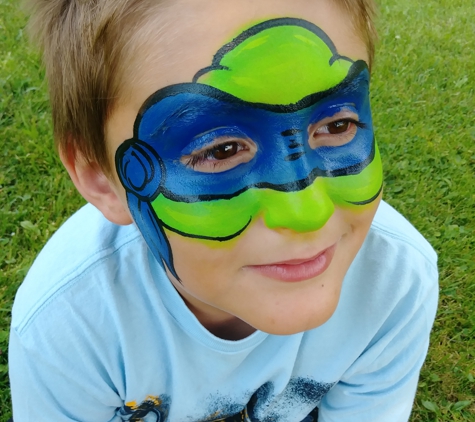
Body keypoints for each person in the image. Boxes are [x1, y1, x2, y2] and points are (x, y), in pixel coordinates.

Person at [8, 0, 438, 420]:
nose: (306, 211)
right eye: (222, 150)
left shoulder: (394, 283)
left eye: (336, 125)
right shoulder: (68, 328)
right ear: (104, 179)